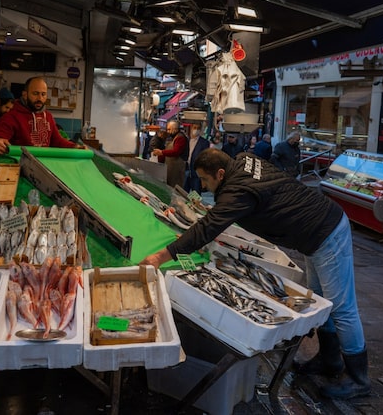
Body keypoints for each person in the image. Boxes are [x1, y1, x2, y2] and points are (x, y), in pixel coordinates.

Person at [140, 149, 371, 399]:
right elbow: (225, 213)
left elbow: (210, 226)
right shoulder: (242, 161)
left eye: (205, 180)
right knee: (322, 299)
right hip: (313, 233)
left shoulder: (238, 190)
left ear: (220, 173)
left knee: (341, 307)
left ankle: (359, 378)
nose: (204, 185)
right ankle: (330, 360)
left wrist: (160, 256)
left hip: (327, 233)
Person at [0, 77, 81, 154]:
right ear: (25, 95)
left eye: (43, 94)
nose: (40, 98)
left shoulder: (48, 117)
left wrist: (75, 147)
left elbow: (57, 141)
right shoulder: (10, 117)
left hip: (44, 166)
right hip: (20, 168)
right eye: (35, 94)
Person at [152, 120, 188, 188]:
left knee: (178, 189)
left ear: (174, 129)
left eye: (169, 129)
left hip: (177, 170)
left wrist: (161, 152)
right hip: (170, 169)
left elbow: (176, 151)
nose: (167, 131)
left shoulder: (180, 138)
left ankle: (194, 199)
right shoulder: (172, 138)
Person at [184, 124, 210, 193]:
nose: (196, 130)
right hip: (186, 170)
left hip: (196, 173)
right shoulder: (187, 140)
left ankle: (194, 204)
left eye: (198, 128)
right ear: (192, 128)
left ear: (200, 130)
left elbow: (205, 157)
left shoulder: (204, 142)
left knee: (195, 194)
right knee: (183, 192)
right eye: (195, 128)